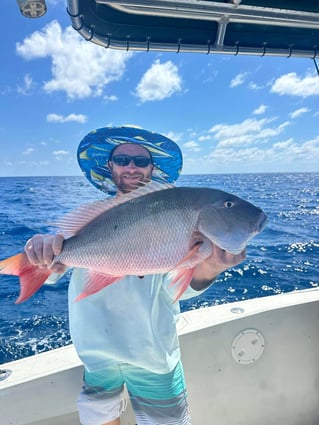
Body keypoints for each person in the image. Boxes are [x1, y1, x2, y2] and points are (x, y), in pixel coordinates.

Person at [24, 126, 245, 425]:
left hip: (153, 355)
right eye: (123, 159)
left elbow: (176, 288)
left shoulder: (177, 212)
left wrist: (213, 266)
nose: (131, 167)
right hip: (96, 355)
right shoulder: (90, 216)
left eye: (141, 162)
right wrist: (42, 255)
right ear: (110, 167)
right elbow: (53, 270)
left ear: (152, 169)